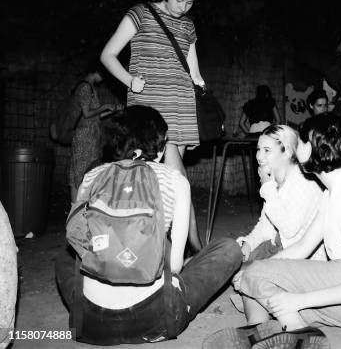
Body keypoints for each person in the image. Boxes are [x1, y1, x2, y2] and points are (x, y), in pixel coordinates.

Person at [55, 105, 242, 345]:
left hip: (91, 322)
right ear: (159, 146)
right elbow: (174, 266)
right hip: (158, 318)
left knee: (64, 256)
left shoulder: (91, 177)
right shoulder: (175, 180)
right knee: (228, 248)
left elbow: (78, 239)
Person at [236, 113, 341, 331]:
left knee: (256, 277)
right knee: (255, 276)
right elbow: (303, 247)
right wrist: (266, 267)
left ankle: (296, 333)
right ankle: (262, 329)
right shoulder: (335, 189)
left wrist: (299, 300)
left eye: (302, 142)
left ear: (316, 146)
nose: (296, 148)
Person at [100, 0, 205, 252]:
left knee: (167, 184)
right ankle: (196, 247)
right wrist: (129, 80)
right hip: (150, 107)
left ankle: (163, 248)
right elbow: (107, 54)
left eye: (189, 3)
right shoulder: (140, 14)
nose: (183, 7)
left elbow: (192, 66)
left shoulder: (188, 26)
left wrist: (198, 80)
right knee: (177, 180)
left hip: (180, 104)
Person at [233, 124, 326, 322]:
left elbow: (289, 229)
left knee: (249, 277)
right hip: (279, 249)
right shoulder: (277, 180)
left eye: (267, 150)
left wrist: (267, 186)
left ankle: (275, 321)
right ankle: (259, 321)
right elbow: (266, 225)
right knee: (237, 268)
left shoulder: (304, 182)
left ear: (287, 152)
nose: (259, 156)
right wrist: (248, 243)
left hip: (303, 261)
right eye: (258, 149)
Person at [69, 59, 123, 202]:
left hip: (90, 135)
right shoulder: (85, 87)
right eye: (102, 73)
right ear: (95, 71)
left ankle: (79, 206)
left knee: (86, 171)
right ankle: (76, 208)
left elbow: (95, 115)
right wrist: (104, 106)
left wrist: (112, 110)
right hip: (84, 136)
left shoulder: (91, 88)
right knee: (80, 173)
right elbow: (87, 113)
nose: (103, 77)